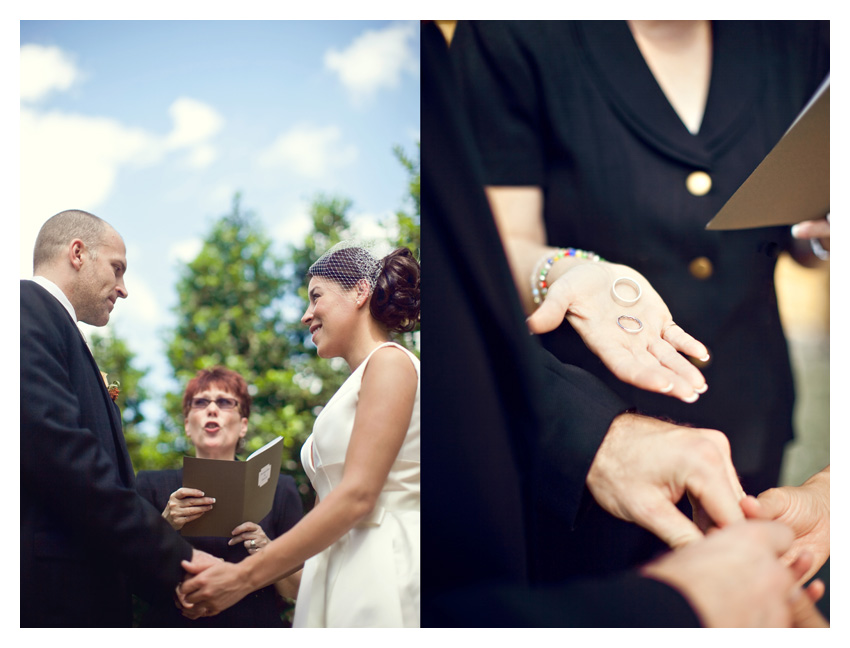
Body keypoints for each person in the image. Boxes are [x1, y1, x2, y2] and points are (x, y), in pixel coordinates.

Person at [420, 21, 825, 627]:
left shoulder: (800, 31)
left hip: (749, 400)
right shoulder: (512, 34)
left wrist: (818, 239)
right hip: (580, 428)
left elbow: (799, 225)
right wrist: (566, 271)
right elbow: (500, 240)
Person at [177, 242, 420, 627]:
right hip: (341, 564)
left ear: (359, 291)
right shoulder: (356, 383)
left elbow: (357, 494)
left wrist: (241, 579)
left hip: (382, 565)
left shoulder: (390, 362)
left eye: (315, 297)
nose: (307, 315)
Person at [20, 209, 217, 627]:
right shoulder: (24, 307)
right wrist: (177, 558)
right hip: (51, 600)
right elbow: (61, 454)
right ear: (77, 253)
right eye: (117, 268)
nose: (123, 289)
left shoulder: (63, 329)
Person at [134, 367, 303, 627]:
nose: (212, 409)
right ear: (187, 425)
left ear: (243, 425)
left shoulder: (280, 489)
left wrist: (268, 553)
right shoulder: (151, 486)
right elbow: (130, 578)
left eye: (225, 402)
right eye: (200, 402)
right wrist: (164, 526)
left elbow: (297, 590)